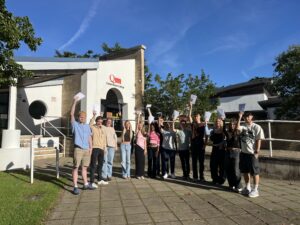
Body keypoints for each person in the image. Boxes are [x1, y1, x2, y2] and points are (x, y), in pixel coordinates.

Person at [237, 111, 265, 198]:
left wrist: (257, 151)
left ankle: (255, 189)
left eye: (248, 116)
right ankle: (248, 187)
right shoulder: (243, 126)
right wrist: (239, 117)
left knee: (255, 172)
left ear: (251, 117)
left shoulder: (256, 127)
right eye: (244, 117)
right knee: (245, 171)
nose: (246, 118)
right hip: (243, 152)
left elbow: (258, 139)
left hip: (252, 153)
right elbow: (237, 128)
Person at [70, 97, 93, 195]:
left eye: (83, 117)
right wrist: (75, 101)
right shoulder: (75, 125)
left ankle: (85, 184)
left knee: (84, 167)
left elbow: (89, 138)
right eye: (80, 117)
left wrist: (91, 147)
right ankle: (75, 186)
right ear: (78, 117)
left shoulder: (87, 126)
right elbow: (71, 114)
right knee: (76, 167)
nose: (82, 118)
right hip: (78, 149)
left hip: (86, 149)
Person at [189, 102, 208, 182]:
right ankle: (195, 176)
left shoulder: (204, 124)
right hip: (194, 144)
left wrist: (205, 144)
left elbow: (207, 135)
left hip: (201, 144)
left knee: (201, 162)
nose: (196, 117)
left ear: (200, 117)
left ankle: (202, 176)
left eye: (197, 116)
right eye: (195, 116)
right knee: (194, 161)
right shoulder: (193, 124)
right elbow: (189, 116)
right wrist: (191, 107)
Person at [89, 112, 108, 186]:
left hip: (102, 149)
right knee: (93, 165)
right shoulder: (93, 127)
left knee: (100, 165)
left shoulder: (103, 128)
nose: (100, 123)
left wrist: (105, 147)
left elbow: (104, 139)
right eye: (98, 121)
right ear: (96, 121)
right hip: (95, 148)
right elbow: (90, 124)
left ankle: (99, 179)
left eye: (101, 122)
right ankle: (92, 181)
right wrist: (94, 116)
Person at [224, 118, 243, 192]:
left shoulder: (238, 132)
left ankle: (239, 186)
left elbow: (238, 126)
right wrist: (223, 120)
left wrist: (239, 117)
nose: (232, 126)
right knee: (229, 169)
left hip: (236, 152)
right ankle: (231, 185)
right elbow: (223, 129)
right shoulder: (228, 132)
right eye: (231, 124)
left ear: (236, 125)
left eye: (233, 124)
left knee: (236, 170)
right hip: (228, 152)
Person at [206, 118, 226, 185]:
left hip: (221, 149)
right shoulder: (212, 130)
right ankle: (215, 179)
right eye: (216, 121)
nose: (218, 122)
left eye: (219, 121)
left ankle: (221, 180)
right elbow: (210, 139)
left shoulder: (224, 130)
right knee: (213, 165)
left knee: (222, 166)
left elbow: (225, 140)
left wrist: (220, 144)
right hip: (214, 149)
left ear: (221, 122)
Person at [135, 112, 147, 179]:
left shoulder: (144, 132)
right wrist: (139, 116)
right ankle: (138, 174)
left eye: (141, 125)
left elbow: (145, 141)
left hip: (142, 148)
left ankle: (142, 174)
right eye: (139, 125)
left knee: (142, 162)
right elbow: (137, 123)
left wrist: (145, 149)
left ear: (142, 126)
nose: (139, 126)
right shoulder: (137, 131)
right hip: (138, 147)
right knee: (138, 161)